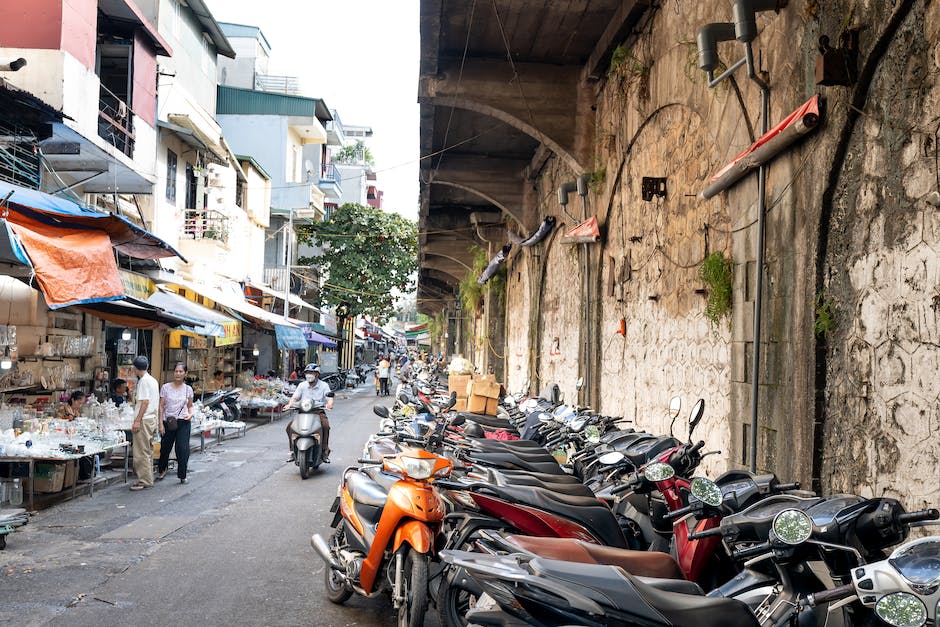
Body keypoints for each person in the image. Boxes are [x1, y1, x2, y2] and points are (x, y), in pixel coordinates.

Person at [283, 363, 333, 463]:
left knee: (325, 426)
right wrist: (289, 404)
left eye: (312, 373)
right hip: (303, 412)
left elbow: (329, 398)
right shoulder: (302, 385)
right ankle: (293, 451)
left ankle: (324, 451)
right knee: (289, 427)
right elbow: (295, 397)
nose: (309, 375)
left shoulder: (324, 385)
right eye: (308, 373)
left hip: (318, 412)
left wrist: (329, 404)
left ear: (317, 374)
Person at [157, 362, 194, 484]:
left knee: (182, 448)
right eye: (176, 371)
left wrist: (190, 414)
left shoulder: (188, 389)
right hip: (168, 421)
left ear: (185, 373)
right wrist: (160, 424)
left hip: (183, 421)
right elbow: (161, 406)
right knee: (165, 447)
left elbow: (190, 406)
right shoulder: (166, 387)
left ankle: (182, 474)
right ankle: (162, 469)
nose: (178, 374)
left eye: (181, 371)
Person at [130, 355, 159, 491]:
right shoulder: (153, 380)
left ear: (135, 368)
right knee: (147, 450)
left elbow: (145, 402)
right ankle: (147, 477)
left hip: (144, 419)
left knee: (141, 451)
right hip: (151, 419)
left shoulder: (143, 381)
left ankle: (144, 480)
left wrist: (137, 420)